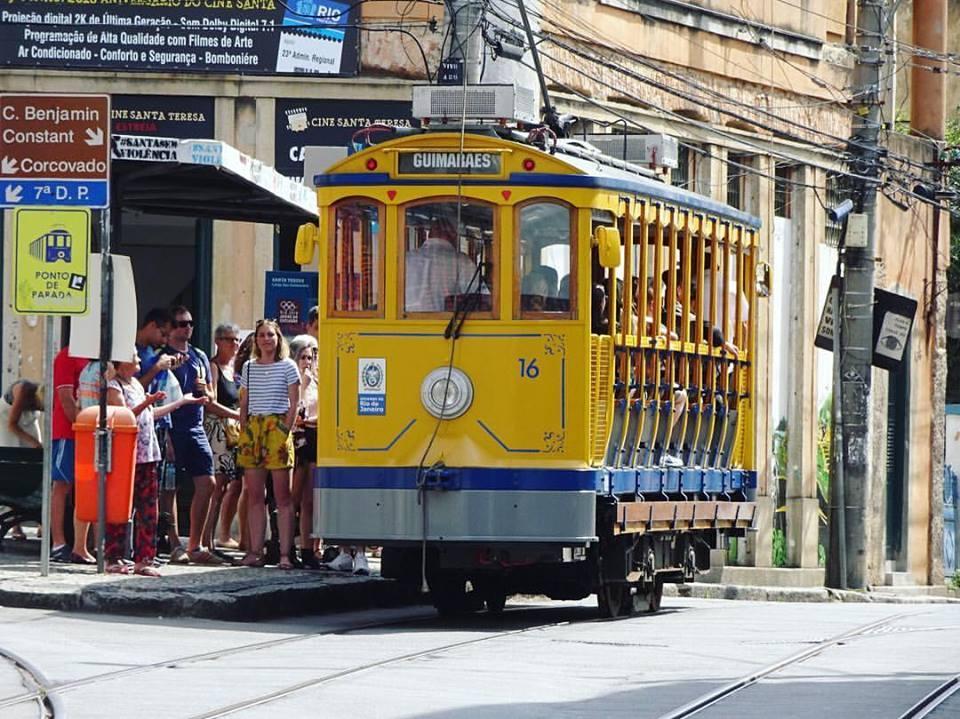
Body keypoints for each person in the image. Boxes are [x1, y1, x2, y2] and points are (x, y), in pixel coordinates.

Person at [104, 352, 206, 576]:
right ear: (122, 364)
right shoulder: (114, 386)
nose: (139, 361)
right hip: (127, 455)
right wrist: (147, 402)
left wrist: (181, 402)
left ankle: (144, 559)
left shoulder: (136, 386)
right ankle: (113, 556)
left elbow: (151, 414)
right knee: (121, 507)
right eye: (134, 358)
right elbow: (124, 416)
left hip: (148, 454)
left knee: (149, 508)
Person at [237, 319, 300, 569]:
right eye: (262, 335)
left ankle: (285, 553)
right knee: (254, 495)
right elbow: (244, 402)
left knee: (283, 496)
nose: (266, 339)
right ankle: (255, 551)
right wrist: (244, 429)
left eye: (271, 335)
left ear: (278, 339)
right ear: (256, 340)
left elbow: (294, 402)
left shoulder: (288, 366)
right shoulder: (249, 368)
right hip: (254, 428)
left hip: (276, 427)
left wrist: (285, 427)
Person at [163, 306, 220, 564]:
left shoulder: (199, 356)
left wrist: (204, 391)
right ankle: (174, 544)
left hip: (195, 427)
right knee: (169, 487)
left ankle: (195, 544)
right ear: (170, 327)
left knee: (208, 483)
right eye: (180, 323)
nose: (186, 328)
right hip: (171, 426)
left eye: (190, 323)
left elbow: (211, 397)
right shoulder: (163, 356)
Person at [50, 343, 94, 565]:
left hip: (86, 431)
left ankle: (81, 546)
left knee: (86, 487)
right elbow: (66, 398)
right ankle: (58, 543)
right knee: (62, 485)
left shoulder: (92, 358)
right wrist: (83, 425)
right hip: (67, 431)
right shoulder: (66, 356)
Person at [203, 322, 243, 551]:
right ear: (218, 342)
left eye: (236, 339)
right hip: (218, 432)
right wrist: (236, 416)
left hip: (233, 434)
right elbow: (211, 403)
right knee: (216, 487)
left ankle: (216, 536)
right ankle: (206, 539)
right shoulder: (214, 366)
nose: (234, 344)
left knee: (230, 486)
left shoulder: (236, 369)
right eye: (229, 339)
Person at [405, 219, 484, 312]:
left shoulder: (406, 258)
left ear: (429, 235)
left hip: (404, 323)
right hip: (448, 323)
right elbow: (478, 297)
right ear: (454, 235)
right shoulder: (462, 262)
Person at [289, 335, 320, 569]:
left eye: (311, 357)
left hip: (315, 435)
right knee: (292, 498)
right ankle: (286, 546)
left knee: (310, 500)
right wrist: (304, 383)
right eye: (303, 357)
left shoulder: (317, 380)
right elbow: (295, 409)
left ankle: (308, 549)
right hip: (297, 435)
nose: (307, 362)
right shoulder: (295, 379)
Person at [0, 380, 43, 449]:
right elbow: (12, 425)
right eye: (40, 407)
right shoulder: (23, 390)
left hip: (29, 415)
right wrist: (33, 441)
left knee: (36, 451)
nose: (41, 409)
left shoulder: (47, 394)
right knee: (10, 451)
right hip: (7, 415)